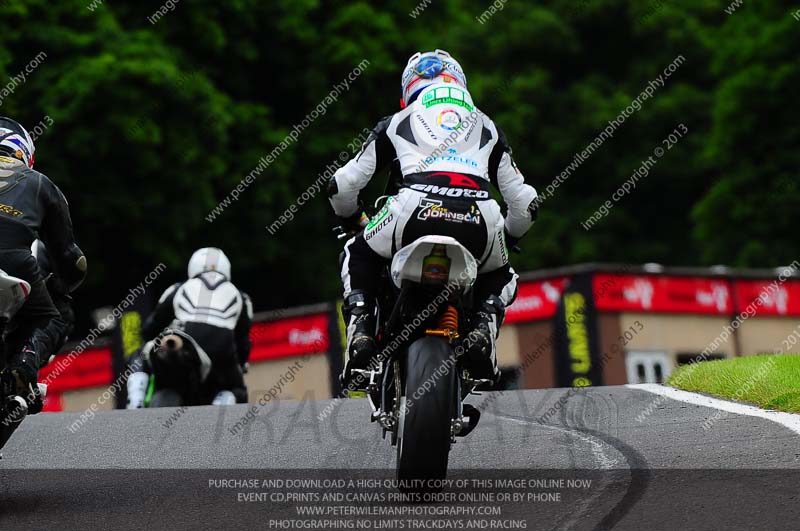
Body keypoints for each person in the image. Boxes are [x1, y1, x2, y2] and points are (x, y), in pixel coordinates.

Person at [329, 50, 538, 384]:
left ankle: (362, 331)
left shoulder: (399, 120)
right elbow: (526, 203)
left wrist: (352, 219)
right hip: (479, 217)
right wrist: (508, 239)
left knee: (357, 250)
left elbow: (341, 184)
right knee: (503, 273)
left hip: (412, 210)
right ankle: (483, 328)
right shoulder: (487, 125)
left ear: (408, 91)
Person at [0, 117, 86, 408]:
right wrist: (60, 287)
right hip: (16, 262)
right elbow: (72, 259)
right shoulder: (41, 184)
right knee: (51, 314)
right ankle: (24, 363)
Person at [126, 247, 252, 408]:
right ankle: (224, 401)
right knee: (238, 390)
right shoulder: (241, 296)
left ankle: (136, 398)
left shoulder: (179, 287)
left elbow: (152, 325)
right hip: (221, 349)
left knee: (139, 353)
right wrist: (240, 366)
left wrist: (152, 342)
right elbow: (243, 341)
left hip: (186, 341)